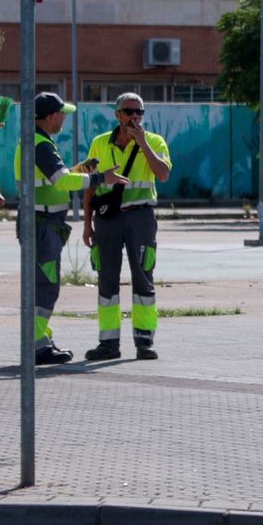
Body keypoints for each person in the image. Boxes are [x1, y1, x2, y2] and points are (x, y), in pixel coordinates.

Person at [13, 93, 115, 365]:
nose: (64, 118)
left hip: (40, 224)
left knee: (41, 286)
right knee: (46, 287)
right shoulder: (41, 145)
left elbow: (56, 179)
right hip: (42, 225)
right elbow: (61, 182)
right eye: (62, 114)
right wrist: (99, 177)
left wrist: (81, 170)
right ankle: (35, 346)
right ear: (49, 117)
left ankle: (40, 341)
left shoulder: (37, 141)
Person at [81, 93, 172, 362]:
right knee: (106, 278)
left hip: (140, 218)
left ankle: (145, 340)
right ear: (117, 114)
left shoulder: (154, 141)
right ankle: (108, 342)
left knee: (143, 276)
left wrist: (142, 143)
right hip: (107, 219)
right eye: (129, 111)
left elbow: (164, 174)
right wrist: (87, 225)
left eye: (139, 112)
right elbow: (90, 185)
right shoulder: (99, 143)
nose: (135, 116)